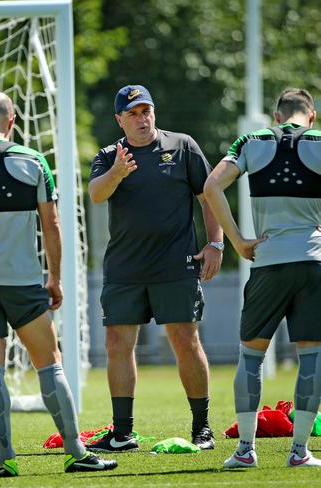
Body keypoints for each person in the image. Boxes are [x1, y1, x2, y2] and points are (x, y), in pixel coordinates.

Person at [0, 91, 118, 477]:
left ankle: (5, 460)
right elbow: (52, 224)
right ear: (13, 120)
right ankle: (76, 452)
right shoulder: (33, 160)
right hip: (22, 282)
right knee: (49, 364)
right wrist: (54, 278)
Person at [87, 85, 223, 453]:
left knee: (184, 340)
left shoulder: (183, 146)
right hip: (124, 269)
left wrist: (215, 243)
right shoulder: (108, 155)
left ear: (154, 112)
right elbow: (97, 194)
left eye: (145, 110)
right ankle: (122, 434)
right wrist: (117, 172)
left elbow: (209, 195)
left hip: (175, 265)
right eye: (132, 113)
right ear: (119, 120)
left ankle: (202, 428)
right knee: (116, 344)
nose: (141, 118)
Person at [204, 88, 321, 469]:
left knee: (251, 357)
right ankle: (300, 452)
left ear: (276, 116)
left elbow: (211, 187)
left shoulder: (251, 141)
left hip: (267, 263)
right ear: (312, 116)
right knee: (312, 360)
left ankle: (244, 452)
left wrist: (237, 241)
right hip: (312, 264)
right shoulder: (320, 142)